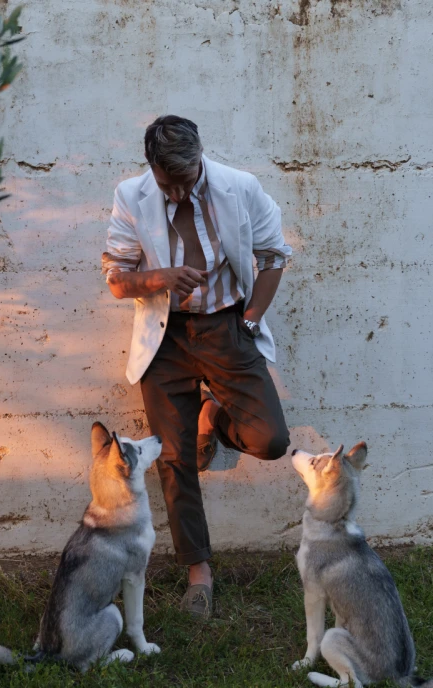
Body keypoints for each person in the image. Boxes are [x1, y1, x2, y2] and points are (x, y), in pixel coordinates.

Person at [101, 115, 292, 620]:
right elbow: (117, 279)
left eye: (187, 180)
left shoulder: (239, 187)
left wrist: (249, 322)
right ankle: (199, 573)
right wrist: (159, 277)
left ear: (200, 156)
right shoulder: (131, 195)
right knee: (175, 458)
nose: (180, 192)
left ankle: (211, 416)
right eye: (169, 184)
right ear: (152, 170)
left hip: (226, 329)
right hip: (165, 341)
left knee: (270, 439)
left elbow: (274, 256)